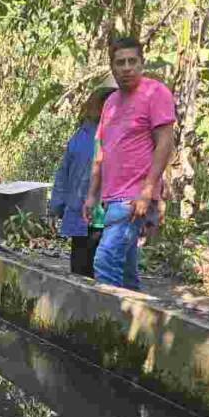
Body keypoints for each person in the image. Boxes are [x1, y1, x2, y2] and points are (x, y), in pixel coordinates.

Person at [83, 37, 176, 290]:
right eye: (120, 62)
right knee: (125, 272)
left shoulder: (155, 93)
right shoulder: (111, 103)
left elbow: (165, 143)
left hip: (133, 198)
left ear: (142, 63)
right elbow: (102, 152)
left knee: (105, 261)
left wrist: (147, 190)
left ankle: (109, 324)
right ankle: (136, 326)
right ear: (112, 67)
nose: (126, 68)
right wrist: (92, 195)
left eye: (132, 61)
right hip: (113, 196)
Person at [50, 87, 115, 276]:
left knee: (97, 270)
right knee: (83, 269)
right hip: (85, 213)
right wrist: (57, 207)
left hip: (106, 215)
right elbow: (64, 173)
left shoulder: (116, 136)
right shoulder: (83, 137)